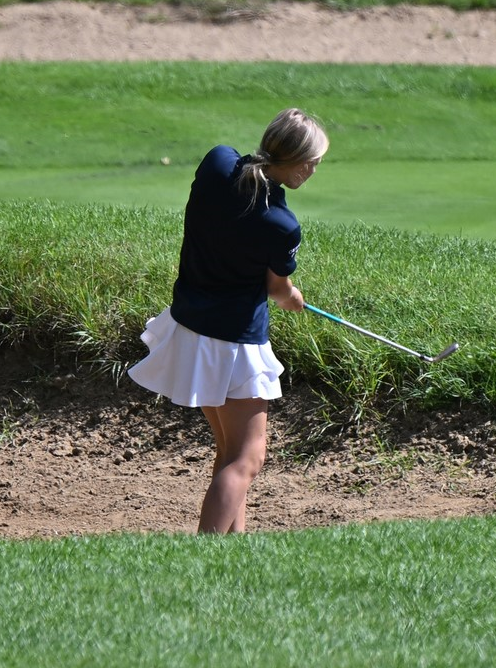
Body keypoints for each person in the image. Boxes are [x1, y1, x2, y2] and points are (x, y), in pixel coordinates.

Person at [128, 108, 329, 534]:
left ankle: (233, 553)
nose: (314, 169)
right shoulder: (282, 225)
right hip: (233, 344)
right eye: (310, 160)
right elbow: (278, 289)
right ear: (291, 157)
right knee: (247, 459)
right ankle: (205, 559)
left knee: (228, 451)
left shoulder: (218, 162)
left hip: (190, 325)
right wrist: (294, 298)